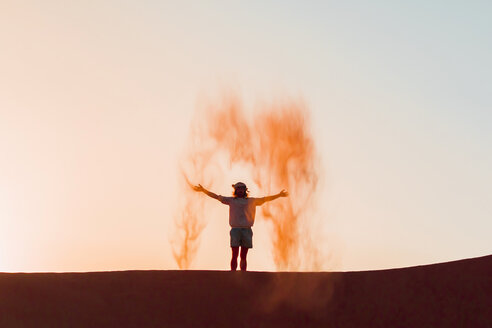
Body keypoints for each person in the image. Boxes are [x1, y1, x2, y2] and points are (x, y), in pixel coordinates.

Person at [193, 182, 288, 271]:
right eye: (238, 189)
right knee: (234, 254)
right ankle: (233, 273)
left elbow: (265, 199)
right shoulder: (231, 200)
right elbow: (216, 197)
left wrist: (279, 195)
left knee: (243, 255)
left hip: (247, 230)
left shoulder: (251, 201)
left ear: (245, 190)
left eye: (242, 189)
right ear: (236, 190)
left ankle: (243, 274)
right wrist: (203, 190)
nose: (240, 191)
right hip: (235, 229)